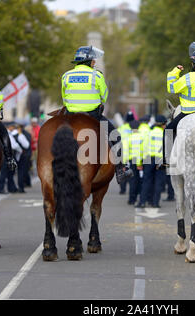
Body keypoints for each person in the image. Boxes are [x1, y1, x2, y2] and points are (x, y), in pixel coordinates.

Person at [61, 45, 133, 184]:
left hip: (71, 117)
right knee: (115, 136)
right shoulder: (96, 75)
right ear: (88, 62)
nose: (94, 62)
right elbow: (104, 96)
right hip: (92, 116)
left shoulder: (66, 76)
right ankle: (120, 170)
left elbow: (64, 98)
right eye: (93, 60)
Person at [137, 115, 167, 208]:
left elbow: (142, 148)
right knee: (158, 182)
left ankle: (142, 202)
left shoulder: (149, 133)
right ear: (162, 124)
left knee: (146, 181)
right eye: (165, 124)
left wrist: (139, 162)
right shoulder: (165, 135)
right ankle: (155, 203)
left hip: (148, 158)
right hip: (160, 160)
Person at [0, 123, 20, 194]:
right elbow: (14, 145)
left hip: (4, 155)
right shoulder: (7, 134)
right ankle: (1, 189)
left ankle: (9, 188)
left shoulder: (7, 133)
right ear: (9, 127)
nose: (13, 128)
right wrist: (20, 150)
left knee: (7, 173)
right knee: (4, 173)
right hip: (7, 155)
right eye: (12, 127)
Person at [128, 120, 144, 206]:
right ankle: (141, 198)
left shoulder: (129, 138)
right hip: (141, 160)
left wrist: (124, 163)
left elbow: (126, 152)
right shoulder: (142, 137)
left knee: (132, 180)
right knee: (141, 180)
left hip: (132, 161)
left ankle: (131, 199)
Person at [12, 122, 31, 193]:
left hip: (15, 155)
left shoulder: (12, 135)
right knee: (21, 172)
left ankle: (14, 187)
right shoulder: (21, 135)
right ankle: (21, 188)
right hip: (22, 155)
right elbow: (26, 145)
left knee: (12, 173)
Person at [118, 111, 134, 194]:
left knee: (122, 170)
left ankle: (122, 189)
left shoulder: (121, 128)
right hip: (132, 153)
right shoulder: (134, 128)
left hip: (122, 153)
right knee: (131, 170)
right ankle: (132, 190)